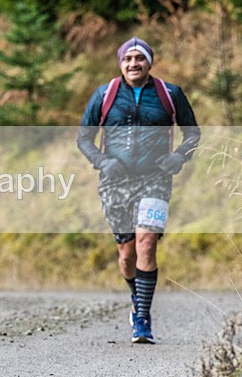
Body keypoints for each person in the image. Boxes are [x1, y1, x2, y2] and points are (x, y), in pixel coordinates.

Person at [77, 37, 200, 344]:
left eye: (139, 58)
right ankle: (137, 300)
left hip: (155, 179)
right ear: (121, 63)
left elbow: (193, 134)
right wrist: (102, 162)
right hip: (114, 182)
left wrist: (177, 157)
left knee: (146, 243)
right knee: (127, 254)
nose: (134, 63)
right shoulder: (104, 95)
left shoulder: (170, 94)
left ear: (149, 62)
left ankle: (142, 319)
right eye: (128, 59)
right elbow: (83, 138)